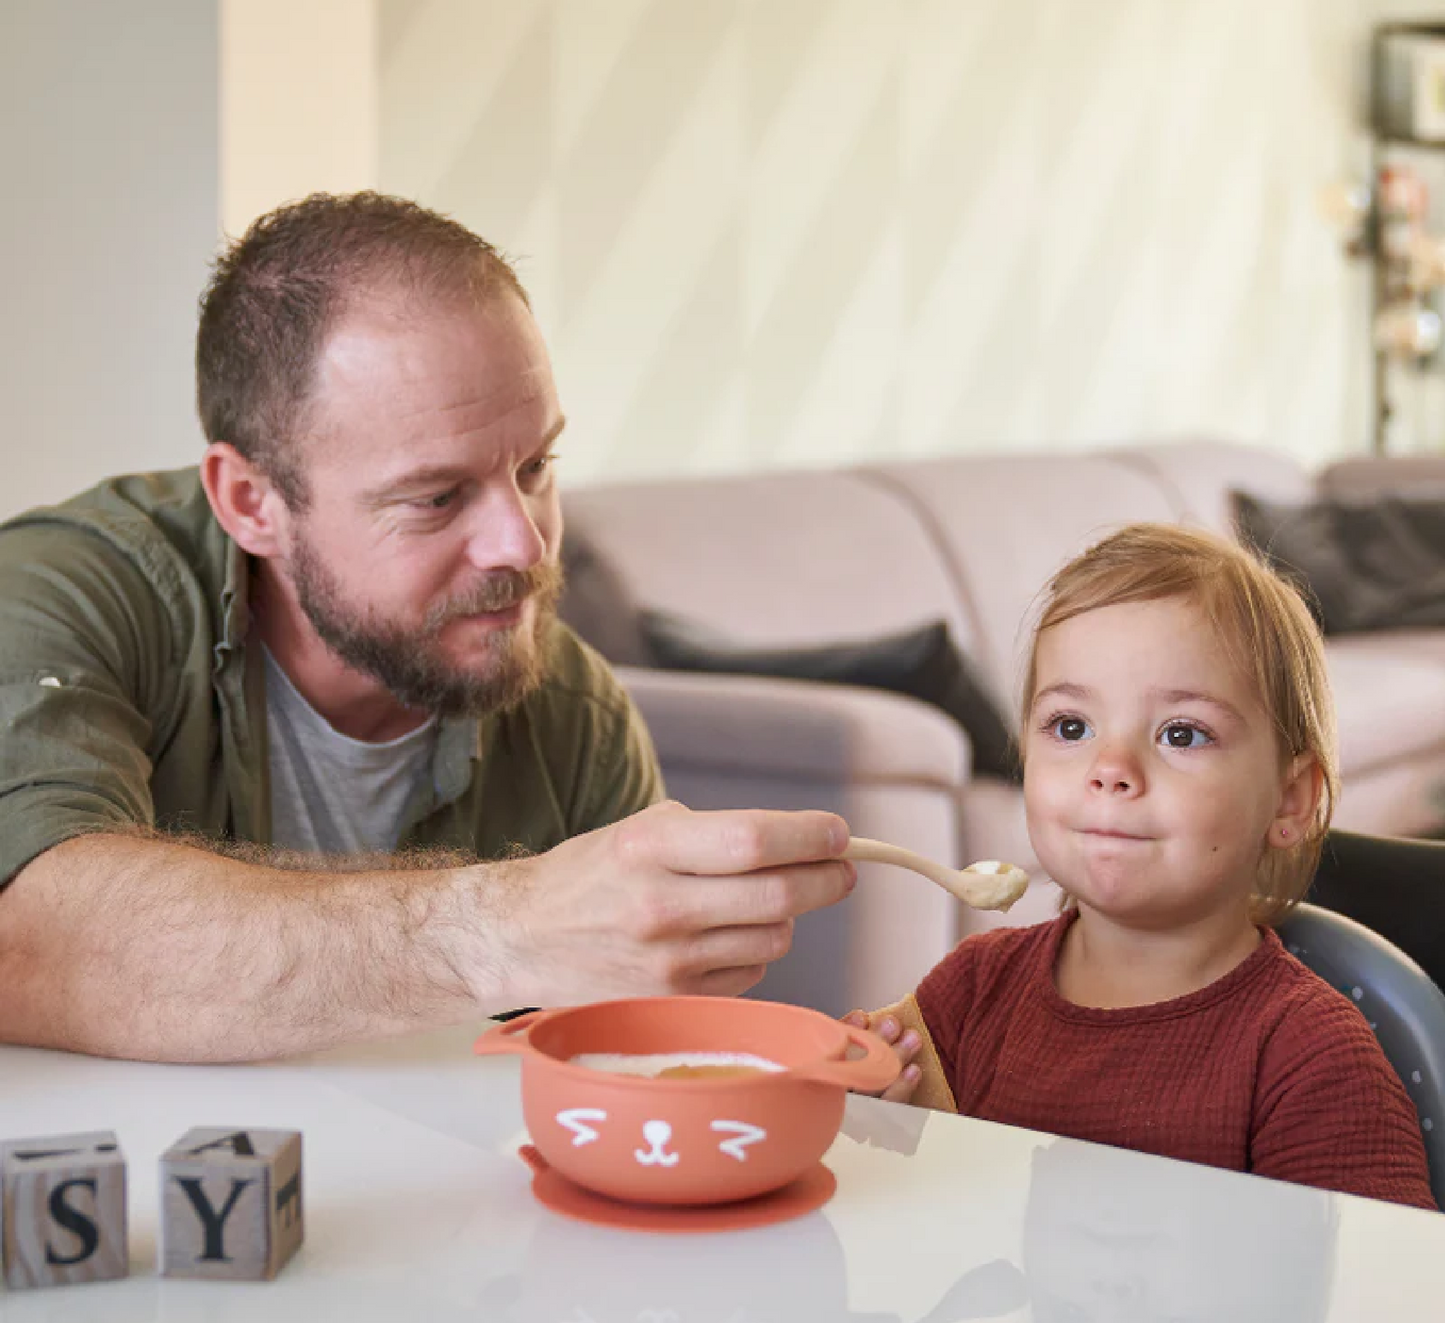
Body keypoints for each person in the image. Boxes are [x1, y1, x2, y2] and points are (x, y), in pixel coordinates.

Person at [0, 192, 854, 1064]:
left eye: (535, 466)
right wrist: (502, 927)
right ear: (251, 503)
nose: (522, 542)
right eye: (436, 497)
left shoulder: (571, 706)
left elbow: (624, 1081)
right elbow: (29, 932)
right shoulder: (61, 598)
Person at [846, 523, 1435, 1210]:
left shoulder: (1307, 1057)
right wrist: (865, 1118)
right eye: (1070, 727)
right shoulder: (968, 993)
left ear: (1289, 797)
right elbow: (903, 1213)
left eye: (1180, 733)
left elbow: (1384, 1290)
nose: (1110, 769)